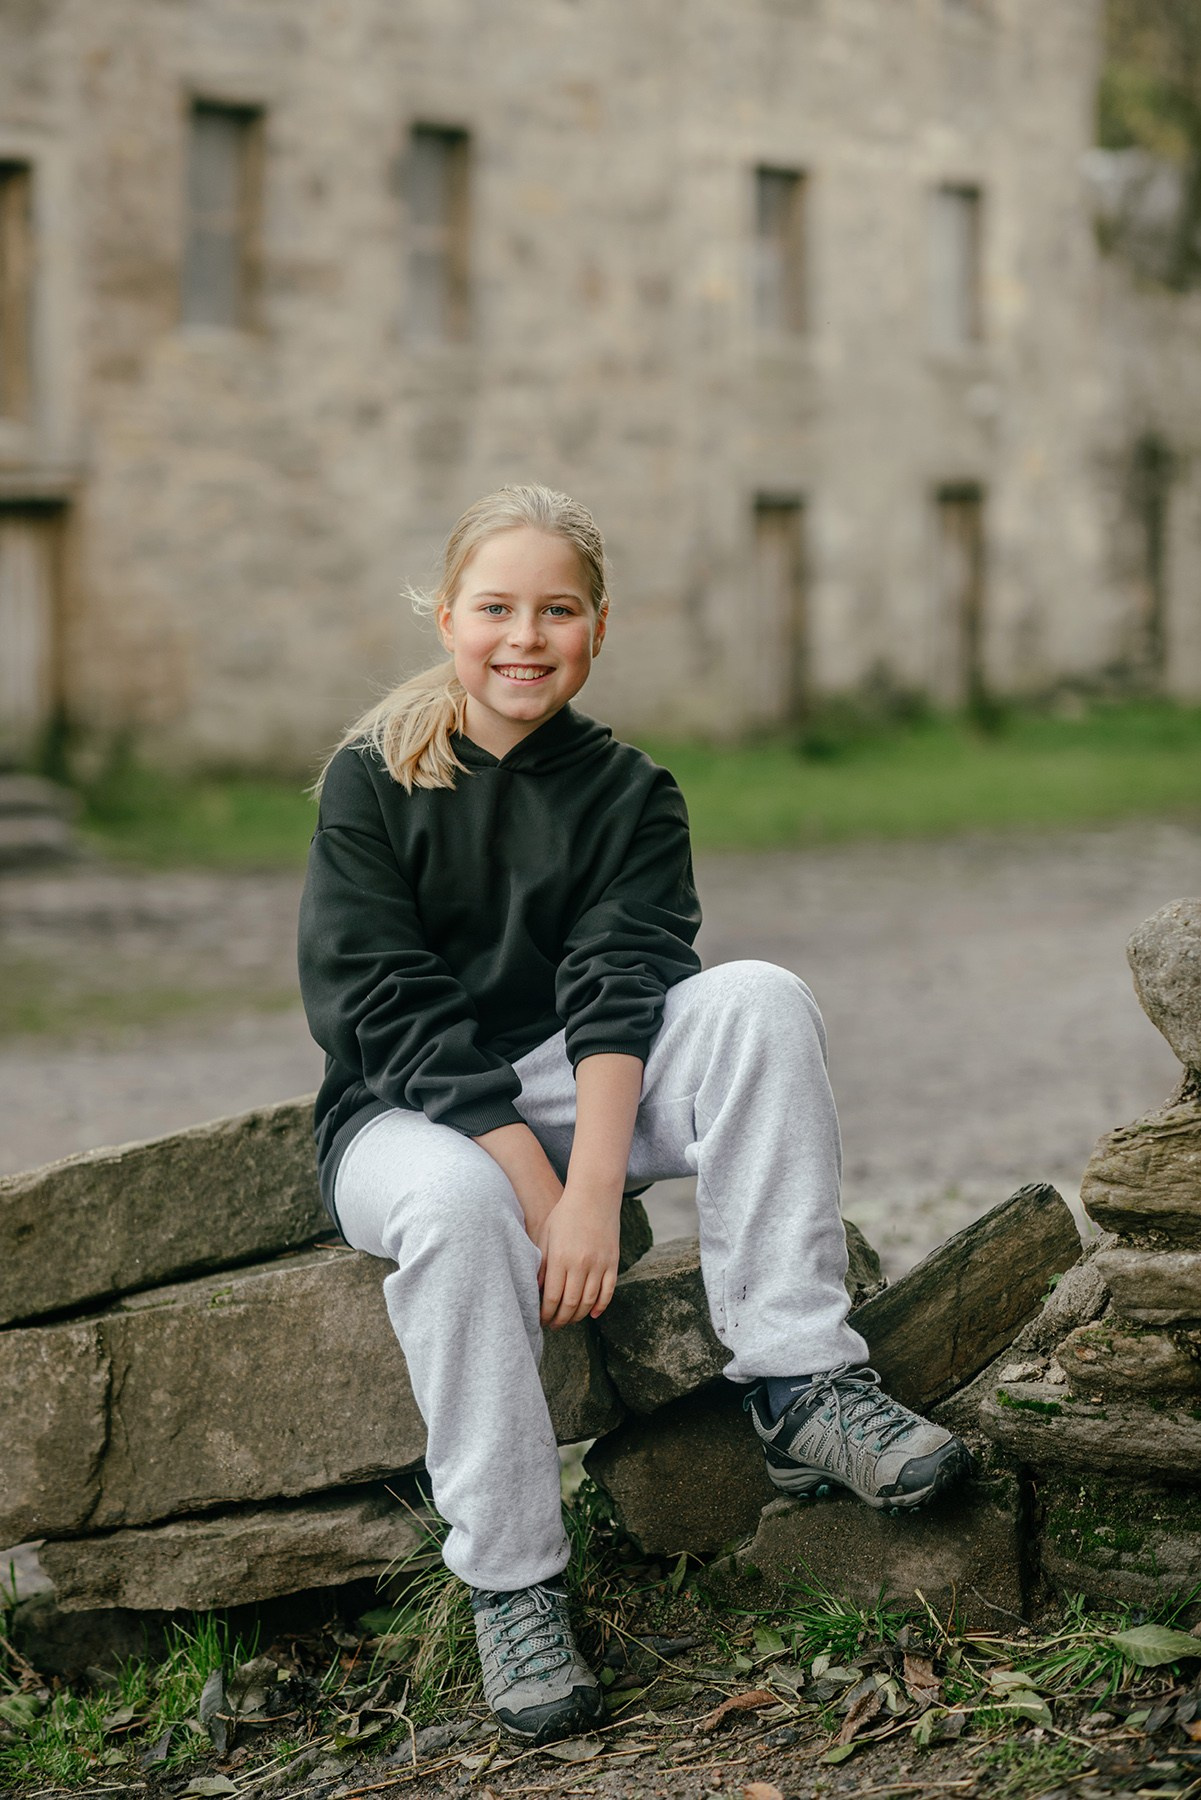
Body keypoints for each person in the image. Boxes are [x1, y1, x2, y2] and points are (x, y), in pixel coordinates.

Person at [297, 484, 969, 1746]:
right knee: (452, 1206)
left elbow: (621, 985)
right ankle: (511, 1580)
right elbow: (383, 1005)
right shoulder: (368, 783)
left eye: (557, 610)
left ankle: (799, 1384)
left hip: (572, 1078)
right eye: (495, 607)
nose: (523, 635)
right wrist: (540, 1198)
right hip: (405, 1113)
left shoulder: (628, 793)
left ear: (598, 629)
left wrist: (596, 1184)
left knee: (760, 997)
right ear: (446, 617)